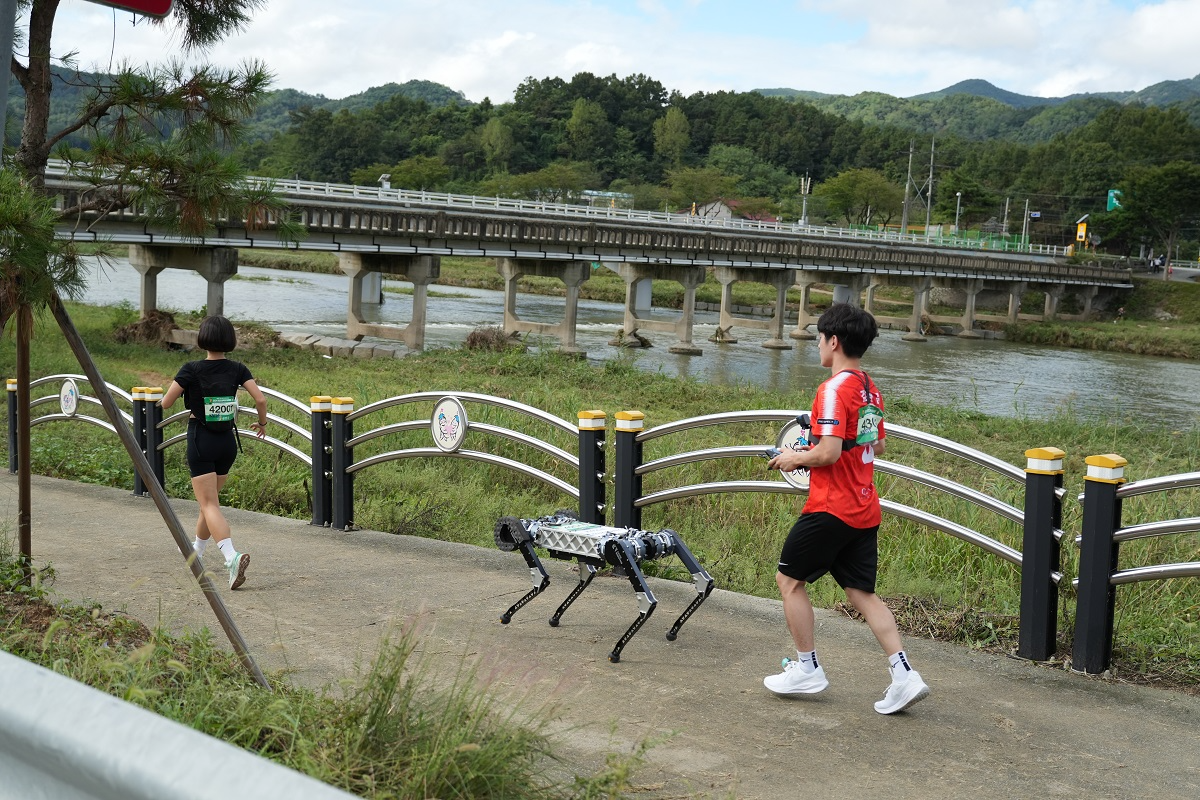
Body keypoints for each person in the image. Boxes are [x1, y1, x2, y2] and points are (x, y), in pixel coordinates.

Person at [763, 303, 930, 715]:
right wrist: (815, 445)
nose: (818, 345)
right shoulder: (870, 387)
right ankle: (904, 675)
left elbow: (830, 452)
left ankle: (807, 669)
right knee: (862, 593)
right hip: (864, 507)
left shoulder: (833, 389)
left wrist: (792, 458)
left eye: (820, 338)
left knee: (789, 582)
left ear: (833, 341)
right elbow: (876, 445)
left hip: (830, 508)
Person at [160, 315, 268, 590]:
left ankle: (231, 557)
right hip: (227, 443)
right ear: (229, 340)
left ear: (202, 339)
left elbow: (166, 402)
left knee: (210, 505)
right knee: (208, 504)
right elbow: (260, 399)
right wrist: (262, 422)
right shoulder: (238, 368)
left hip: (201, 440)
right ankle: (196, 553)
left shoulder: (191, 368)